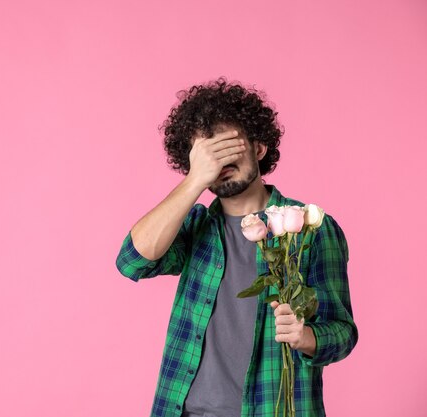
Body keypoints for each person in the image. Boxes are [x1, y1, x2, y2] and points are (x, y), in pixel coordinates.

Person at [115, 77, 358, 417]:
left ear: (259, 148)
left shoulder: (311, 227)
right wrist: (194, 180)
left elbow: (342, 332)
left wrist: (305, 338)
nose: (220, 160)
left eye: (228, 146)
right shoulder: (195, 225)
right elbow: (132, 261)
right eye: (208, 153)